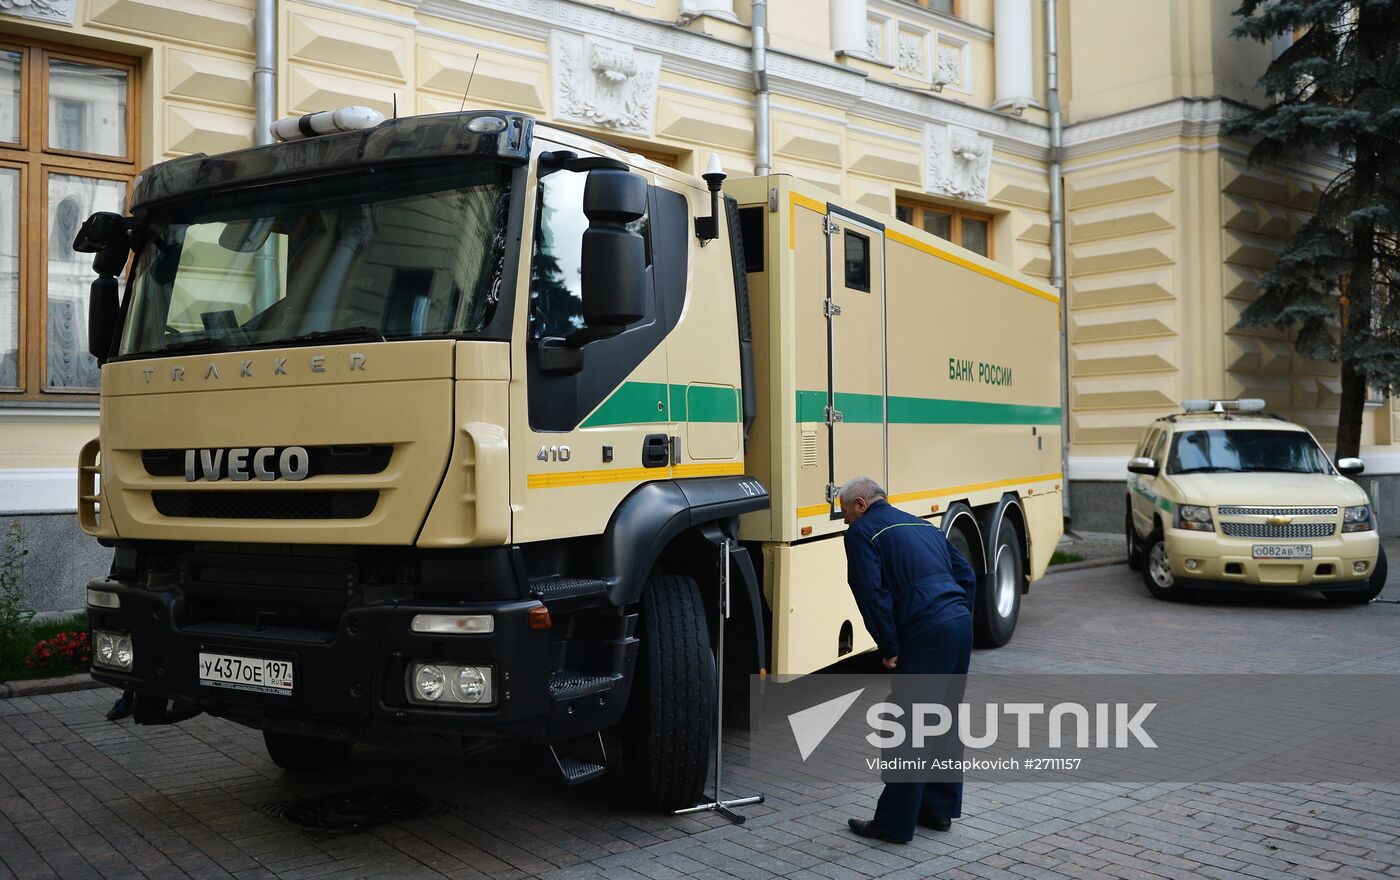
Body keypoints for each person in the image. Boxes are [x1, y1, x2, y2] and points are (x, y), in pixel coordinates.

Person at [838, 477, 977, 845]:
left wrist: (889, 645)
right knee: (944, 718)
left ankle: (894, 824)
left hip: (926, 630)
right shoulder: (920, 523)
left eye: (845, 513)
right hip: (958, 625)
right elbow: (967, 575)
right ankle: (938, 811)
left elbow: (871, 593)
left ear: (861, 504)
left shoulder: (862, 532)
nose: (845, 521)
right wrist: (959, 616)